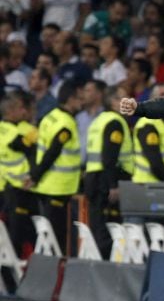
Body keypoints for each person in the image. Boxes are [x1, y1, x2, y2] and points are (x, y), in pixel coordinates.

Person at [27, 81, 83, 256]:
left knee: (47, 233)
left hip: (46, 184)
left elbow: (38, 147)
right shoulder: (65, 123)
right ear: (71, 99)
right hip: (59, 187)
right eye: (79, 98)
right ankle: (56, 274)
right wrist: (35, 176)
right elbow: (52, 152)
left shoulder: (50, 116)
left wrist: (35, 175)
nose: (82, 102)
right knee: (57, 237)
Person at [84, 86, 133, 259]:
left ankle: (98, 261)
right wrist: (113, 185)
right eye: (124, 98)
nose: (128, 101)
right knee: (109, 228)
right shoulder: (115, 122)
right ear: (113, 102)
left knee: (98, 226)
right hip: (107, 180)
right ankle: (107, 265)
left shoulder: (99, 120)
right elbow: (109, 157)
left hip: (93, 177)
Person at [0, 91, 37, 258]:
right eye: (20, 109)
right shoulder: (13, 130)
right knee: (16, 235)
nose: (23, 112)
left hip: (13, 188)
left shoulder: (12, 128)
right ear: (11, 110)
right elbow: (22, 145)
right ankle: (11, 275)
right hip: (17, 189)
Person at [131, 84, 164, 184]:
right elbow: (155, 162)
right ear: (152, 100)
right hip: (148, 185)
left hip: (163, 183)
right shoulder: (148, 124)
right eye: (163, 94)